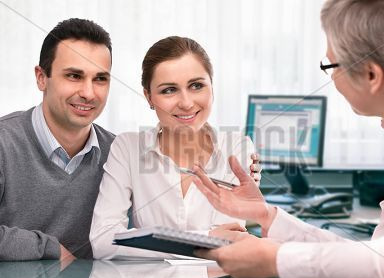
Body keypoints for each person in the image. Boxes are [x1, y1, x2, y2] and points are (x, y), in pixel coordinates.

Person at [193, 0, 384, 278]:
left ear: (371, 75)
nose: (331, 79)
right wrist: (267, 216)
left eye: (330, 66)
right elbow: (383, 257)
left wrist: (275, 260)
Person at [89, 36, 259, 259]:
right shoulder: (128, 148)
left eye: (196, 85)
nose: (186, 103)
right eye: (169, 90)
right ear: (148, 97)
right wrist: (207, 236)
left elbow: (228, 246)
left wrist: (150, 244)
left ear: (212, 87)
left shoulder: (237, 148)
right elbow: (102, 242)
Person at [0, 18, 115, 261]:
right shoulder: (4, 142)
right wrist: (49, 249)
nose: (88, 93)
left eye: (100, 79)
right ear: (42, 78)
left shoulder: (117, 154)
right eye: (74, 76)